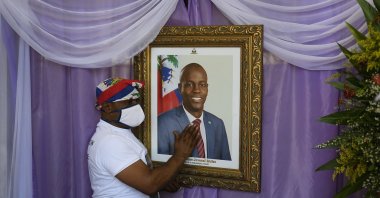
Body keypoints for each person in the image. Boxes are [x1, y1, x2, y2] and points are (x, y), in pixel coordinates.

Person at [87, 77, 200, 198]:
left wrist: (162, 180)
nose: (136, 106)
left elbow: (140, 178)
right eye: (130, 102)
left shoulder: (120, 133)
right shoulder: (109, 141)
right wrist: (180, 156)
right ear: (108, 107)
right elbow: (149, 185)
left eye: (137, 101)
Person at [158, 63, 231, 160]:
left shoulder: (218, 124)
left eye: (202, 85)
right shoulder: (163, 123)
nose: (197, 90)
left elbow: (226, 167)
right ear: (180, 88)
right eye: (189, 84)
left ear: (207, 89)